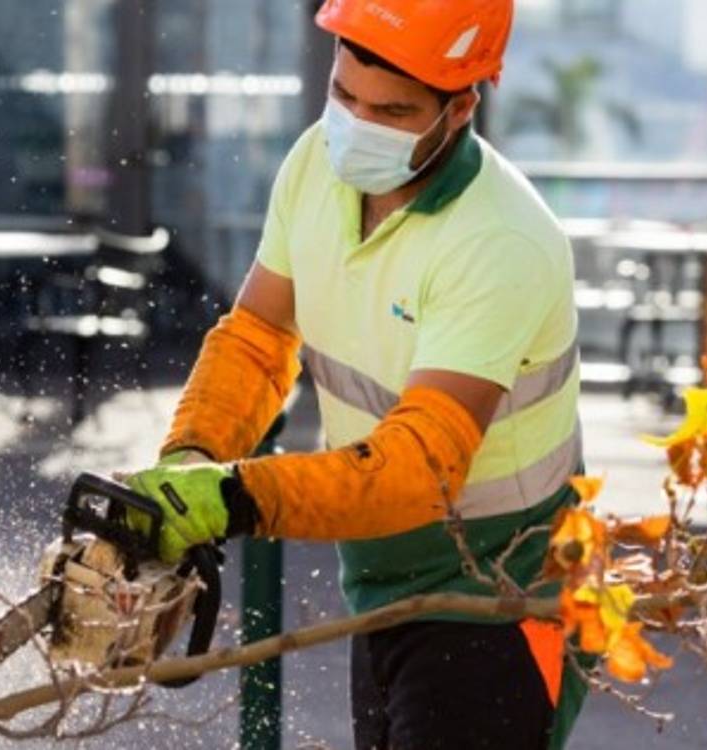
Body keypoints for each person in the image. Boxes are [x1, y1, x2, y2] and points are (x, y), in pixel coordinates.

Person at [121, 1, 585, 747]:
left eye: (392, 112)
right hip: (382, 577)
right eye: (344, 95)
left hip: (499, 593)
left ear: (460, 108)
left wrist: (234, 497)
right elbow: (258, 337)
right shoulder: (317, 162)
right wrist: (192, 457)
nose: (358, 125)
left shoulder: (498, 240)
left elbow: (419, 470)